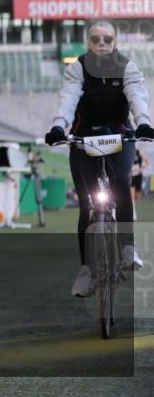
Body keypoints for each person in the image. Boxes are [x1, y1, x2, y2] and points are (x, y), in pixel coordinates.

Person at [45, 20, 153, 297]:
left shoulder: (128, 67)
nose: (102, 44)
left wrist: (143, 122)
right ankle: (86, 270)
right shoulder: (77, 67)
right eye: (96, 39)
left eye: (107, 39)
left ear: (115, 42)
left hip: (119, 134)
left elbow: (138, 96)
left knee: (120, 183)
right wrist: (59, 125)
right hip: (83, 137)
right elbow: (68, 97)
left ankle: (128, 248)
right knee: (86, 203)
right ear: (88, 43)